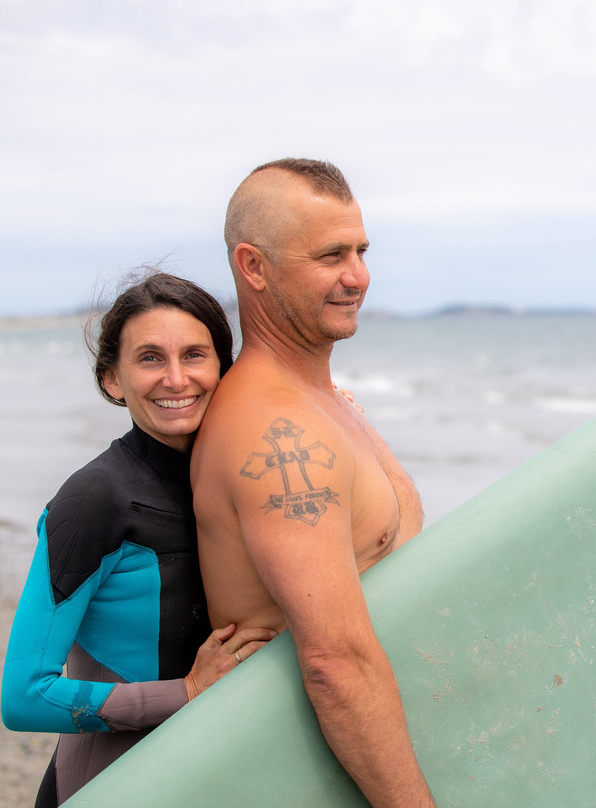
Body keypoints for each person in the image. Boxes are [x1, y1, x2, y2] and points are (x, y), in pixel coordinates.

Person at [190, 159, 435, 808]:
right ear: (254, 267)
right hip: (308, 779)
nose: (358, 276)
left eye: (360, 250)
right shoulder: (273, 430)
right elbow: (334, 664)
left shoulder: (318, 399)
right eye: (330, 256)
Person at [1, 272, 277, 807]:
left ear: (225, 369)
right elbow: (24, 697)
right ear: (112, 380)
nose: (177, 379)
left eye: (195, 355)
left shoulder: (242, 478)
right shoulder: (93, 500)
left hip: (209, 778)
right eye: (150, 358)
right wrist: (187, 692)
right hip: (106, 788)